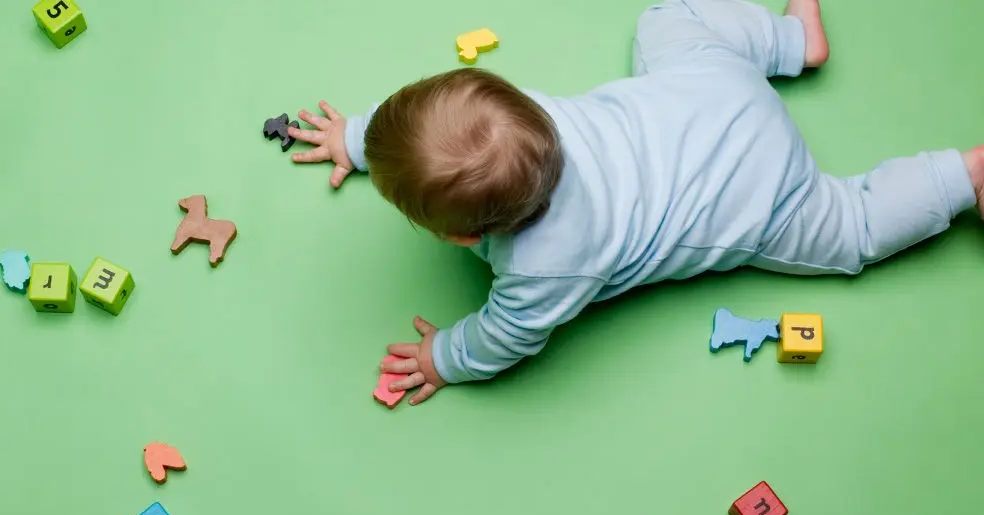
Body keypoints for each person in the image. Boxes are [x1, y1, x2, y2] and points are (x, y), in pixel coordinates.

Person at [286, 0, 984, 405]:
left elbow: (505, 337)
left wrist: (444, 356)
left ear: (463, 238)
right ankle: (792, 42)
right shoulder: (524, 120)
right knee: (664, 18)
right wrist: (357, 136)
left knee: (854, 227)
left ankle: (966, 174)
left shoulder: (544, 269)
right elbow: (431, 127)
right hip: (716, 86)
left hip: (761, 193)